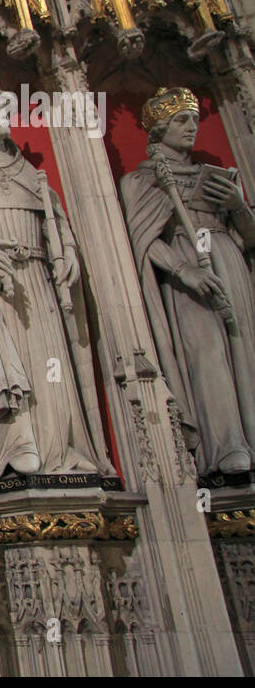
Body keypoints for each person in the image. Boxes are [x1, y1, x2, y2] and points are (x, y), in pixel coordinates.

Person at [0, 71, 114, 481]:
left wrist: (65, 256)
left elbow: (57, 224)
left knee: (49, 361)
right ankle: (13, 442)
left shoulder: (31, 172)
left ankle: (59, 448)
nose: (5, 116)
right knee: (5, 361)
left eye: (7, 108)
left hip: (36, 277)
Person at [121, 87, 255, 475]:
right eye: (181, 120)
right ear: (159, 129)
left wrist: (238, 207)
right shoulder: (142, 181)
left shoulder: (215, 177)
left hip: (227, 257)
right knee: (207, 353)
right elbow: (143, 240)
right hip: (184, 268)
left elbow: (250, 236)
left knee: (244, 349)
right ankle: (226, 444)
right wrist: (185, 272)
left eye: (195, 119)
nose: (191, 127)